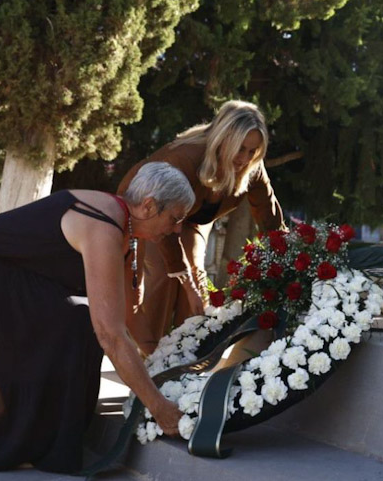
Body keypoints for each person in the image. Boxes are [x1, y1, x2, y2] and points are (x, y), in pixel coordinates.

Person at [0, 162, 194, 473]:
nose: (177, 229)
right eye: (175, 218)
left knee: (79, 322)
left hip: (12, 269)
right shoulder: (104, 227)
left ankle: (38, 437)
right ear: (149, 205)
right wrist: (159, 407)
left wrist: (158, 364)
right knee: (78, 325)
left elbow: (124, 319)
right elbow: (111, 333)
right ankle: (21, 440)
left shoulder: (125, 227)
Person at [119, 101, 284, 354]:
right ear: (223, 139)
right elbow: (163, 223)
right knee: (165, 274)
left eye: (253, 151)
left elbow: (269, 215)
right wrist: (185, 281)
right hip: (150, 213)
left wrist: (288, 256)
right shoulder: (183, 158)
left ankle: (189, 355)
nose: (245, 158)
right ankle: (150, 358)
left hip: (193, 219)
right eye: (240, 148)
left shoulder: (252, 167)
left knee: (197, 277)